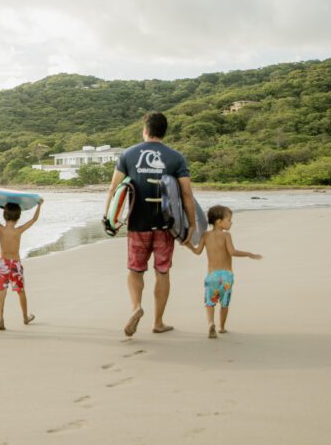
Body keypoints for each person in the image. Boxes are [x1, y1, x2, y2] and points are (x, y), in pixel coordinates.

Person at [103, 112, 196, 337]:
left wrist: (109, 218)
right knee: (162, 272)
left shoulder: (128, 154)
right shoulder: (176, 157)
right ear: (164, 131)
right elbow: (185, 193)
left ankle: (136, 307)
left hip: (137, 225)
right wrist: (191, 224)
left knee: (135, 270)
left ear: (145, 130)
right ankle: (158, 322)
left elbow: (114, 189)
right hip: (165, 226)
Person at [188, 205, 262, 337]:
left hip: (212, 276)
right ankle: (222, 327)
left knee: (210, 302)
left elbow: (197, 252)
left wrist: (187, 244)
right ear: (218, 221)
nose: (231, 223)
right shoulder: (226, 235)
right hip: (226, 276)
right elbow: (232, 252)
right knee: (224, 303)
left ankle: (211, 323)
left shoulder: (205, 235)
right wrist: (249, 254)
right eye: (229, 220)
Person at [0, 199, 42, 331]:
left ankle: (0, 319)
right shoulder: (19, 230)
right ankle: (25, 317)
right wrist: (39, 205)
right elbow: (34, 219)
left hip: (3, 263)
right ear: (18, 217)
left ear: (4, 215)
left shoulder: (0, 228)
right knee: (20, 291)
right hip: (15, 265)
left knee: (1, 292)